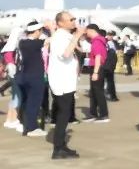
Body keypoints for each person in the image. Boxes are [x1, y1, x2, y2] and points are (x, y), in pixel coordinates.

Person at [48, 12, 86, 159]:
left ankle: (61, 145)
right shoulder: (59, 37)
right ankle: (58, 149)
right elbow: (65, 54)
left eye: (74, 18)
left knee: (65, 114)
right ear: (61, 23)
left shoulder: (65, 36)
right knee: (63, 116)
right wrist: (77, 36)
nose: (73, 21)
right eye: (70, 19)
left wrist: (76, 37)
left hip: (67, 82)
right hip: (61, 82)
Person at [15, 21, 48, 137]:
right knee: (34, 102)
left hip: (22, 76)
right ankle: (32, 128)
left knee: (25, 102)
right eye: (41, 31)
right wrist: (51, 28)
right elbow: (51, 39)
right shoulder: (35, 43)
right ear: (37, 31)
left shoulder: (22, 42)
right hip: (34, 76)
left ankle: (25, 126)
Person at [82, 24, 110, 123]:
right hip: (96, 68)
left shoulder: (97, 41)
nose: (86, 33)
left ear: (92, 30)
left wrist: (95, 72)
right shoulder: (96, 41)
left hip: (97, 68)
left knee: (98, 92)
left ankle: (104, 115)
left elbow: (98, 57)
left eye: (87, 31)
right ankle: (93, 114)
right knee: (94, 92)